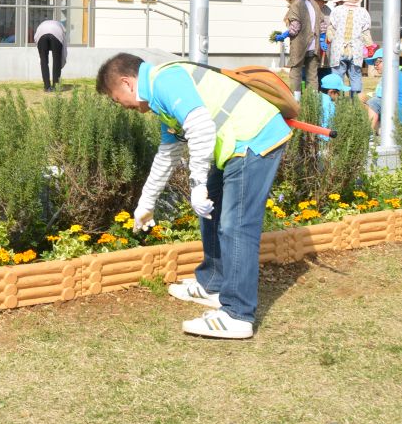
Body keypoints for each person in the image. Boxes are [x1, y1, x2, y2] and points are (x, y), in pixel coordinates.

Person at [97, 52, 290, 340]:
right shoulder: (160, 98)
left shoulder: (166, 81)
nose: (122, 107)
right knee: (212, 210)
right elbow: (168, 154)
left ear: (127, 83)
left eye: (116, 99)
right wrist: (146, 204)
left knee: (236, 225)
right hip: (236, 144)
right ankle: (213, 283)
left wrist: (197, 184)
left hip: (254, 138)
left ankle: (237, 314)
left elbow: (201, 127)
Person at [325, 0, 371, 99]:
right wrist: (369, 46)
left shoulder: (337, 10)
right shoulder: (363, 12)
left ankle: (336, 102)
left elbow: (331, 30)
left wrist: (330, 40)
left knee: (337, 77)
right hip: (356, 51)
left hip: (338, 50)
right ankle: (356, 103)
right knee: (355, 77)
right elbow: (366, 32)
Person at [277, 0, 314, 92]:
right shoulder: (309, 3)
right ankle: (312, 98)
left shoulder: (296, 5)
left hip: (301, 45)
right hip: (313, 44)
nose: (286, 0)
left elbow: (295, 27)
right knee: (311, 75)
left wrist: (284, 35)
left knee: (295, 74)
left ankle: (296, 98)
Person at [367, 61, 402, 131]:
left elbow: (379, 96)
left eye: (377, 62)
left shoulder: (393, 76)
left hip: (400, 116)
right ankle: (380, 130)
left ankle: (371, 132)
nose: (375, 66)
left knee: (373, 102)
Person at [303, 0, 333, 88]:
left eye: (325, 1)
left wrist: (324, 39)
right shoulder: (307, 9)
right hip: (310, 45)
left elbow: (329, 26)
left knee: (324, 70)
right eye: (322, 0)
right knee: (309, 72)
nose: (324, 3)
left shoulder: (327, 10)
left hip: (324, 47)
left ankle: (322, 92)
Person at [33, 17, 67, 92]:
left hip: (41, 35)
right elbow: (64, 45)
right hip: (56, 34)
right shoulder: (60, 26)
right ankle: (55, 86)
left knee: (44, 61)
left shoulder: (41, 25)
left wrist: (41, 55)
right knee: (56, 61)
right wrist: (63, 59)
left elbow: (36, 38)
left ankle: (47, 87)